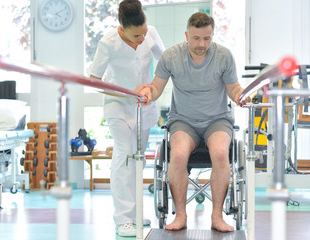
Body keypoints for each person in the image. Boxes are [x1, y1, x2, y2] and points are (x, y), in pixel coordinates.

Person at [136, 12, 247, 232]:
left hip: (217, 120)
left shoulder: (224, 56)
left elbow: (233, 88)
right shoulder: (171, 56)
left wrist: (240, 95)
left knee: (221, 153)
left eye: (207, 38)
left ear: (212, 36)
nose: (201, 44)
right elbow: (156, 87)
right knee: (177, 154)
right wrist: (148, 91)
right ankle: (181, 216)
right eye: (196, 38)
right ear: (187, 35)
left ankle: (217, 217)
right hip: (183, 121)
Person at [89, 0, 165, 237]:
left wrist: (152, 88)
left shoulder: (150, 33)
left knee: (138, 158)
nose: (141, 39)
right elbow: (94, 80)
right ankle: (123, 218)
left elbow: (164, 63)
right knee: (124, 155)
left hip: (144, 105)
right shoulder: (108, 42)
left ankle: (134, 212)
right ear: (122, 29)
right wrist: (125, 92)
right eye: (135, 35)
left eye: (143, 33)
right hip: (118, 105)